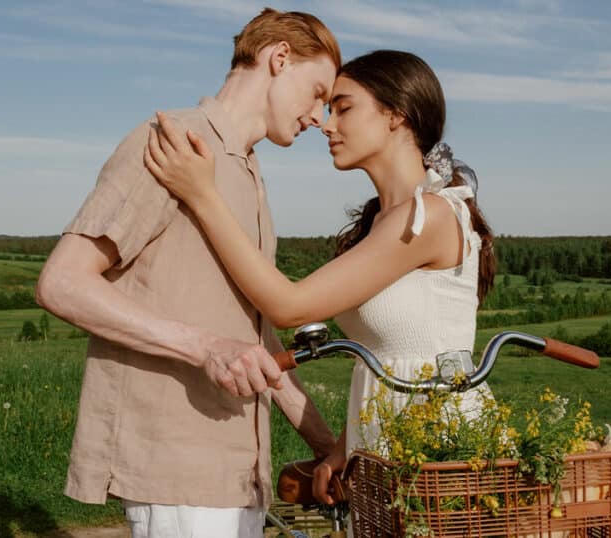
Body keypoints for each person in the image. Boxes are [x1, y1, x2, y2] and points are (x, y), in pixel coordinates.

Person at [34, 9, 341, 538]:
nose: (319, 117)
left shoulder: (248, 171)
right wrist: (205, 347)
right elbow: (62, 283)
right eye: (317, 92)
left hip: (239, 472)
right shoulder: (171, 139)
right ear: (279, 58)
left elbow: (256, 339)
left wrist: (326, 445)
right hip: (177, 467)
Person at [143, 49, 497, 506]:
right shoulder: (383, 224)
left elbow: (289, 307)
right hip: (386, 441)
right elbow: (391, 357)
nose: (327, 125)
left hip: (442, 443)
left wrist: (203, 195)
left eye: (344, 108)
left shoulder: (428, 216)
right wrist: (342, 447)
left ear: (396, 116)